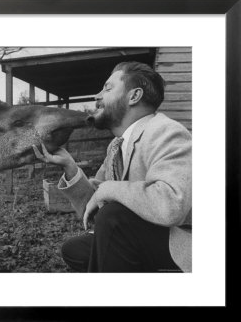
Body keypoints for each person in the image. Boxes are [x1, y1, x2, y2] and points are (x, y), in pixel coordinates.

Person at [33, 61, 192, 272]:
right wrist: (70, 167)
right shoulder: (116, 146)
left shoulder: (166, 131)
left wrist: (107, 190)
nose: (97, 96)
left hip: (181, 242)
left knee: (114, 217)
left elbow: (171, 205)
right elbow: (96, 206)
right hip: (140, 235)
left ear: (133, 96)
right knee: (76, 249)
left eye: (107, 88)